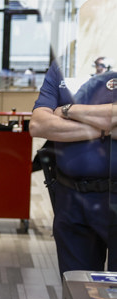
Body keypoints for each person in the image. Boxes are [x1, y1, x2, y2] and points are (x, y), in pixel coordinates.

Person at [29, 59, 117, 276]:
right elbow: (38, 125)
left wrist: (65, 111)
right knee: (77, 292)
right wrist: (105, 130)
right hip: (72, 200)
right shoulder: (62, 70)